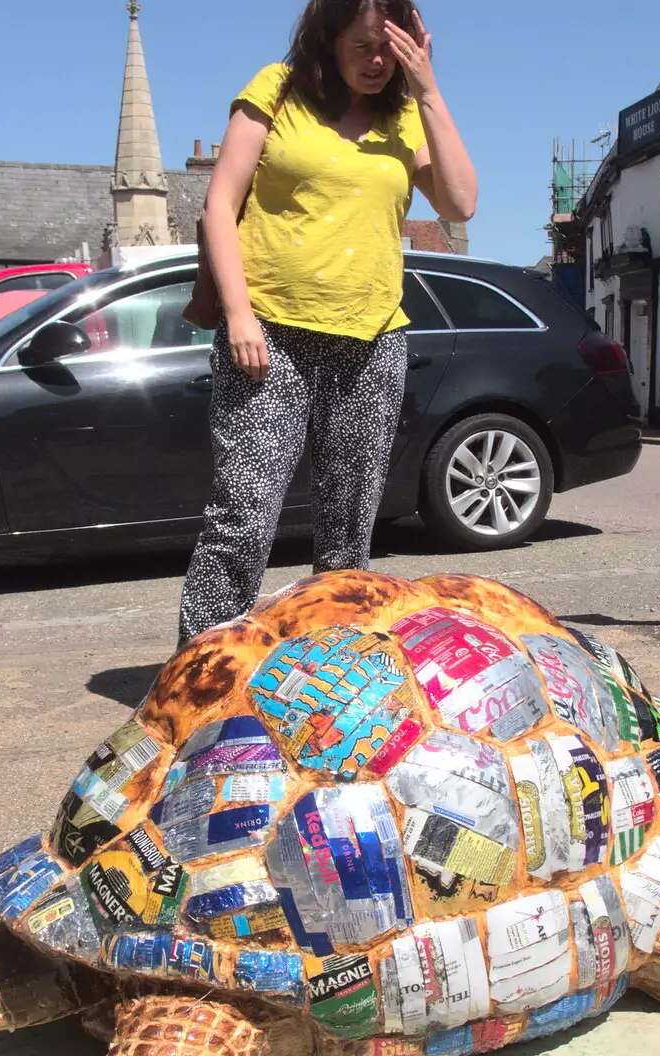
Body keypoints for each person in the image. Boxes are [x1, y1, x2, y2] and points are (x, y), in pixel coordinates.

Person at [177, 0, 477, 644]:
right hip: (269, 336)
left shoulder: (403, 117)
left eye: (388, 49)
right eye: (363, 45)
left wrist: (426, 89)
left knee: (348, 529)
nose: (376, 62)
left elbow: (461, 201)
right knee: (244, 518)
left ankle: (333, 687)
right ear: (327, 40)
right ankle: (198, 679)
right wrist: (237, 315)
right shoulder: (276, 91)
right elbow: (219, 205)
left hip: (371, 343)